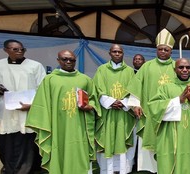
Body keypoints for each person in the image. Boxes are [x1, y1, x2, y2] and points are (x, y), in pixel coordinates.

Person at [25, 50, 101, 174]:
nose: (68, 62)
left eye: (71, 59)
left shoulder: (85, 79)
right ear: (58, 60)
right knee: (59, 152)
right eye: (65, 59)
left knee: (80, 152)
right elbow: (42, 103)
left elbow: (94, 100)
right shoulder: (49, 80)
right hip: (57, 126)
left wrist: (90, 106)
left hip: (79, 126)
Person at [147, 58, 190, 174]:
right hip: (172, 136)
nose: (185, 70)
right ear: (175, 70)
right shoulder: (165, 88)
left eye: (187, 67)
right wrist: (178, 100)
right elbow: (154, 107)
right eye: (181, 67)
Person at [0, 39, 46, 174]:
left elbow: (42, 87)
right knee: (6, 142)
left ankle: (31, 170)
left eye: (22, 49)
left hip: (29, 109)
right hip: (8, 111)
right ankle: (9, 168)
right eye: (15, 49)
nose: (20, 51)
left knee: (28, 140)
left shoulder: (35, 65)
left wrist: (33, 105)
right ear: (6, 50)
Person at [127, 28, 176, 172]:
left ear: (171, 51)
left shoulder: (176, 67)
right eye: (160, 49)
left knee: (169, 141)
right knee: (150, 142)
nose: (163, 52)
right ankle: (151, 169)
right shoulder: (147, 66)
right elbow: (137, 85)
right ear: (156, 49)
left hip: (171, 112)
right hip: (150, 112)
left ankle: (169, 167)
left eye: (166, 50)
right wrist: (135, 104)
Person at [93, 44, 135, 173]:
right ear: (109, 53)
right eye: (114, 52)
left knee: (122, 140)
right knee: (108, 139)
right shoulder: (102, 69)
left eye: (120, 52)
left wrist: (124, 102)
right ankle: (107, 170)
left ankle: (123, 170)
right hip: (107, 113)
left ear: (123, 54)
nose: (117, 54)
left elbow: (134, 90)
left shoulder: (129, 71)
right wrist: (110, 102)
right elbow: (97, 88)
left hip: (124, 114)